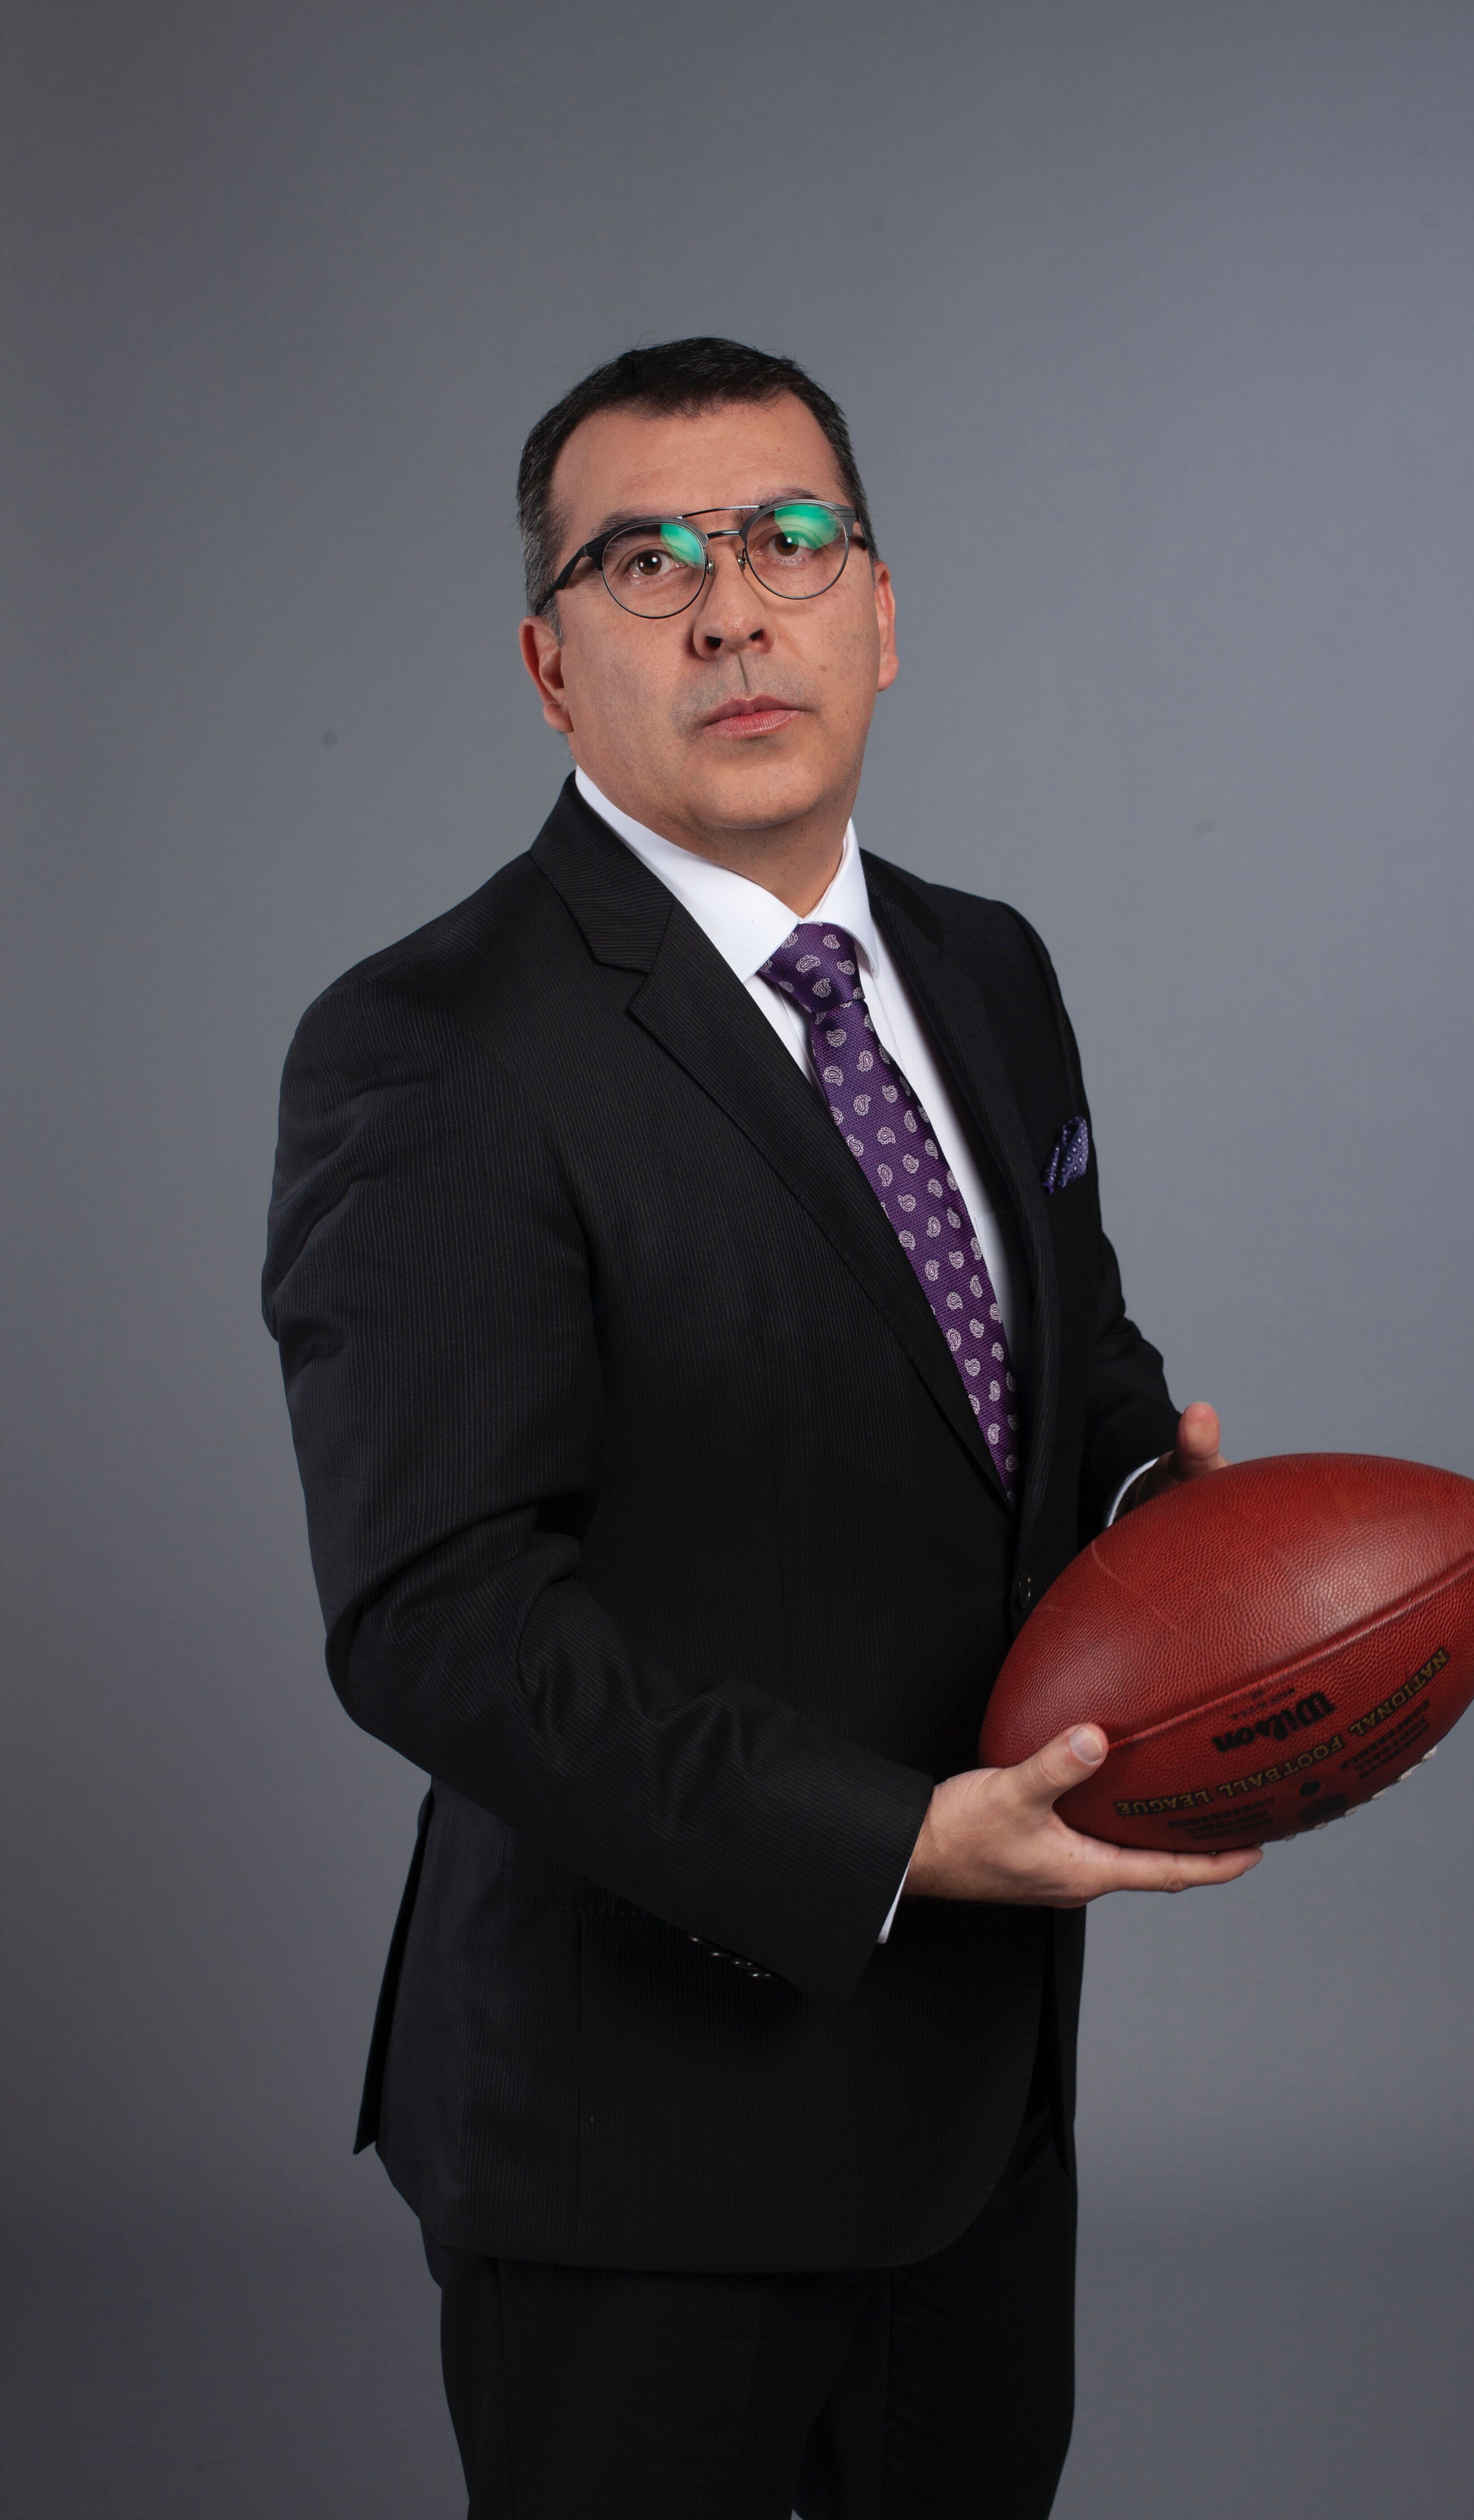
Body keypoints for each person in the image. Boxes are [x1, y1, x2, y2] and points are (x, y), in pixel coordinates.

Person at [262, 336, 1261, 2520]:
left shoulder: (990, 971)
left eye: (792, 541)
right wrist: (892, 1844)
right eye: (648, 561)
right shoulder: (432, 1044)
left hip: (982, 2116)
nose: (732, 608)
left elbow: (1059, 1362)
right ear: (550, 668)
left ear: (878, 616)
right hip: (641, 2149)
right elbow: (438, 1616)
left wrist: (1165, 1515)